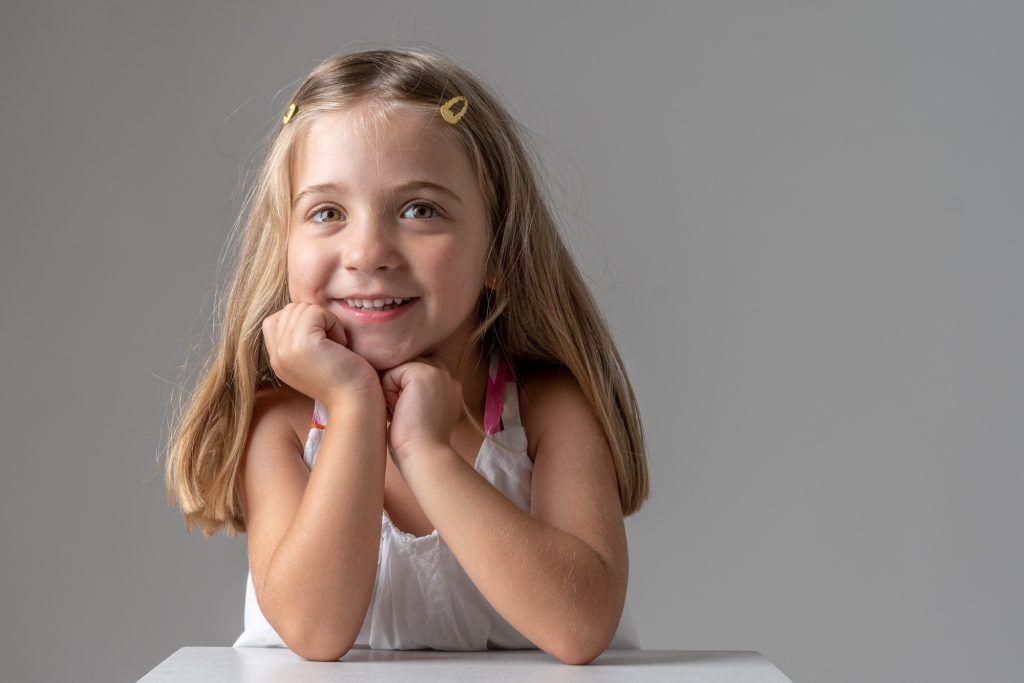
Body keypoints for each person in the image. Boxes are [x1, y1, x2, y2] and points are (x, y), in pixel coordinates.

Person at [163, 47, 649, 665]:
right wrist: (353, 406)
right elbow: (315, 633)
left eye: (420, 209)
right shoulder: (281, 424)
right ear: (284, 246)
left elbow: (578, 629)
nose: (367, 251)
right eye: (327, 212)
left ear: (498, 250)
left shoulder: (547, 411)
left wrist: (426, 450)